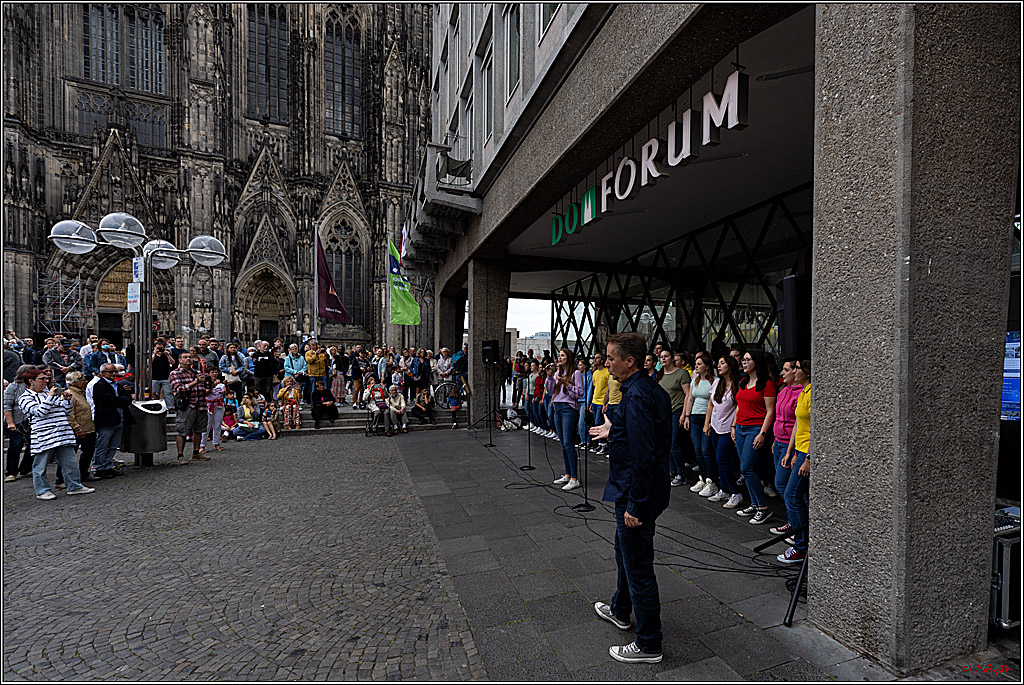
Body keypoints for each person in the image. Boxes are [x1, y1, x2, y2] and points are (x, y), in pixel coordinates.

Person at [588, 332, 669, 664]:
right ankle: (621, 609)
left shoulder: (636, 396)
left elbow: (644, 455)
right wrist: (614, 428)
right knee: (624, 553)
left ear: (629, 361)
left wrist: (635, 505)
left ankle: (649, 643)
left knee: (637, 567)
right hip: (638, 489)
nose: (607, 363)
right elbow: (640, 430)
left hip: (636, 494)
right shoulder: (646, 389)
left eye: (611, 358)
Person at [17, 368, 95, 499]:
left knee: (70, 463)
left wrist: (67, 400)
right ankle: (42, 491)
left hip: (63, 433)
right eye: (42, 379)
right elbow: (39, 412)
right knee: (40, 466)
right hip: (44, 436)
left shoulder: (49, 393)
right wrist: (50, 398)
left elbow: (65, 411)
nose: (45, 382)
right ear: (31, 381)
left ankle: (74, 486)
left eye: (47, 379)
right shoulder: (25, 398)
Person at [731, 349, 777, 525]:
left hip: (755, 429)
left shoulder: (767, 384)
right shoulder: (743, 382)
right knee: (745, 469)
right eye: (742, 360)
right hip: (741, 427)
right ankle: (755, 503)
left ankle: (763, 507)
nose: (743, 362)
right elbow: (738, 406)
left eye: (747, 360)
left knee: (747, 467)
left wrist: (762, 433)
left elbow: (770, 411)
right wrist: (734, 426)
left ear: (756, 362)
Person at [776, 359, 811, 564]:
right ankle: (804, 540)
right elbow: (799, 426)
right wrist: (791, 452)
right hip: (800, 450)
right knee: (800, 495)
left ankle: (800, 546)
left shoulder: (812, 392)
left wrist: (808, 457)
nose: (795, 371)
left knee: (792, 495)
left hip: (807, 453)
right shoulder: (803, 392)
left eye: (798, 368)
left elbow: (816, 427)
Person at [768, 359, 804, 537]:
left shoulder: (802, 393)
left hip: (793, 444)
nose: (783, 374)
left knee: (785, 486)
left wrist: (793, 451)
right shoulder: (783, 391)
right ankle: (793, 521)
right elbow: (778, 417)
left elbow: (798, 423)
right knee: (783, 485)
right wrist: (775, 439)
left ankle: (797, 523)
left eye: (787, 370)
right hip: (780, 441)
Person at [704, 354, 742, 509]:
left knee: (722, 459)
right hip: (715, 426)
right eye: (718, 363)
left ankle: (735, 492)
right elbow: (711, 405)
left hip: (727, 428)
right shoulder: (717, 383)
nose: (718, 366)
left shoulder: (738, 384)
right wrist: (706, 424)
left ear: (730, 366)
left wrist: (734, 426)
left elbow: (739, 407)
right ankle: (724, 489)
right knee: (718, 459)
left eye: (722, 363)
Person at [550, 348, 585, 491]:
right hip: (557, 408)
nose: (559, 358)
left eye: (562, 355)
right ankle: (567, 473)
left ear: (568, 358)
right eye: (559, 355)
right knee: (563, 443)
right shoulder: (558, 373)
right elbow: (551, 390)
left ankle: (574, 478)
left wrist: (567, 384)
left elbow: (580, 393)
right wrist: (549, 377)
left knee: (568, 443)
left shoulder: (576, 373)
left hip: (568, 409)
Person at [91, 363, 134, 479]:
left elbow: (127, 399)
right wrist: (120, 400)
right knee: (102, 444)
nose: (114, 374)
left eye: (115, 372)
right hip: (106, 419)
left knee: (114, 445)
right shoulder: (99, 385)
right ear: (103, 373)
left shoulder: (118, 385)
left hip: (119, 418)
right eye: (111, 372)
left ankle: (108, 465)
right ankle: (99, 467)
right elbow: (108, 400)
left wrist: (120, 399)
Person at [169, 352, 213, 465]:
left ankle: (196, 453)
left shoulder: (197, 372)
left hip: (201, 404)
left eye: (189, 357)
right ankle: (180, 455)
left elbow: (205, 388)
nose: (188, 359)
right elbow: (179, 390)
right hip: (186, 406)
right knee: (182, 430)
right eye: (185, 357)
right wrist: (195, 382)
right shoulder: (175, 373)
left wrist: (209, 381)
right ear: (179, 360)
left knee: (198, 430)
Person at [684, 352, 718, 496]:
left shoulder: (714, 381)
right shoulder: (695, 381)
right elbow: (690, 398)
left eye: (699, 364)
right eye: (696, 364)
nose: (696, 366)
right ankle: (703, 478)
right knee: (697, 449)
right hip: (695, 416)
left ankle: (712, 481)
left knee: (706, 450)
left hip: (706, 416)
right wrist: (686, 415)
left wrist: (709, 421)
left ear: (707, 366)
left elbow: (714, 402)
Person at [657, 347, 691, 487]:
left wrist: (684, 414)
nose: (663, 359)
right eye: (661, 357)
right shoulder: (660, 375)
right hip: (663, 412)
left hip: (676, 411)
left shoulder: (681, 373)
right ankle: (671, 472)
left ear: (672, 358)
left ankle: (681, 474)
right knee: (666, 443)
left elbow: (688, 394)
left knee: (674, 443)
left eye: (666, 356)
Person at [59, 371, 96, 488]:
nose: (86, 381)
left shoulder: (81, 393)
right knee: (68, 455)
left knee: (88, 452)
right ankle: (61, 479)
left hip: (88, 428)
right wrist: (76, 429)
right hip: (77, 430)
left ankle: (83, 473)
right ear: (75, 382)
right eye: (83, 380)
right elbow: (69, 414)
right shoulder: (70, 394)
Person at [4, 364, 35, 481]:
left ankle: (25, 469)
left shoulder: (34, 386)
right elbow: (7, 405)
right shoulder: (13, 387)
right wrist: (10, 422)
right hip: (16, 421)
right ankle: (11, 472)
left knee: (32, 445)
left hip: (31, 421)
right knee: (15, 446)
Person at [200, 371, 227, 453]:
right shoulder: (204, 383)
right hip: (208, 406)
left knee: (217, 425)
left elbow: (226, 393)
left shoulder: (221, 384)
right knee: (206, 426)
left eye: (216, 372)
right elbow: (205, 393)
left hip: (219, 405)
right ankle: (202, 445)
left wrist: (226, 385)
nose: (214, 374)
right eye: (212, 372)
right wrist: (213, 385)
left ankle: (216, 443)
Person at [589, 352, 609, 454]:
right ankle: (599, 444)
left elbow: (608, 389)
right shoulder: (595, 373)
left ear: (602, 360)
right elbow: (595, 388)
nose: (595, 360)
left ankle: (603, 444)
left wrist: (605, 403)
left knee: (599, 423)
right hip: (595, 401)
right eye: (594, 358)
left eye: (597, 358)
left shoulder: (607, 372)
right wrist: (592, 402)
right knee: (596, 423)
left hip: (602, 401)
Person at [576, 357, 594, 450]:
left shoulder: (589, 376)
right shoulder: (578, 375)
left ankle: (587, 441)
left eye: (580, 365)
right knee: (578, 422)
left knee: (582, 422)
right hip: (578, 401)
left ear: (585, 366)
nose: (578, 367)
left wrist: (587, 403)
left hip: (584, 401)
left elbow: (590, 390)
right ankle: (582, 440)